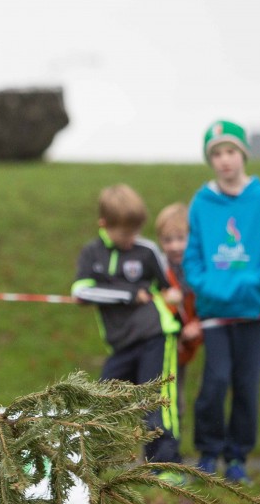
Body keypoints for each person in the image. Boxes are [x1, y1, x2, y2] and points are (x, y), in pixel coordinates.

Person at [184, 120, 260, 484]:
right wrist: (207, 287)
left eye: (230, 151)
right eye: (217, 153)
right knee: (215, 383)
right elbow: (192, 259)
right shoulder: (201, 202)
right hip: (216, 315)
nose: (224, 160)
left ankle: (237, 459)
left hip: (252, 314)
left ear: (243, 155)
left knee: (246, 386)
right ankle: (207, 454)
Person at [72, 185, 184, 481]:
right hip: (120, 345)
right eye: (124, 233)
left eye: (135, 231)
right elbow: (82, 292)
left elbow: (168, 288)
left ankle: (167, 466)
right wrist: (129, 294)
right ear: (104, 226)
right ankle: (98, 462)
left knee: (156, 402)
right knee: (103, 400)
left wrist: (174, 300)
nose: (131, 239)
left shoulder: (147, 251)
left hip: (155, 336)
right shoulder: (92, 253)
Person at [155, 202, 203, 424]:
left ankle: (172, 454)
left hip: (184, 347)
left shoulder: (199, 272)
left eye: (181, 239)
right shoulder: (157, 271)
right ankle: (155, 455)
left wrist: (197, 327)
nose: (174, 246)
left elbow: (205, 308)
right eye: (167, 240)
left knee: (177, 402)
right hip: (160, 347)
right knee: (157, 402)